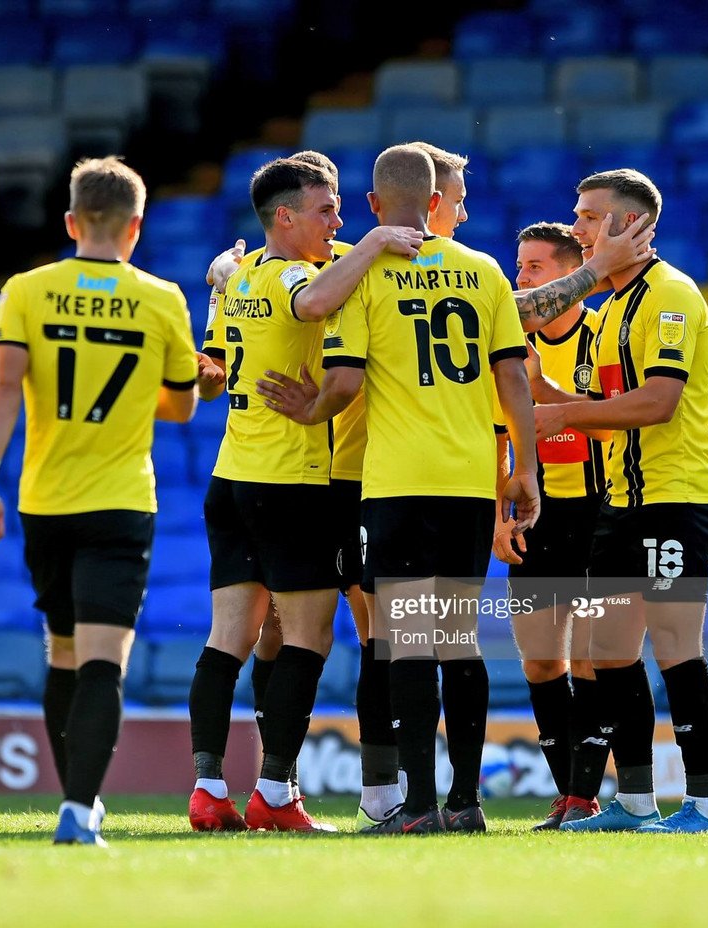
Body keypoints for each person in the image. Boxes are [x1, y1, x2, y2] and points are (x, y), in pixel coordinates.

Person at [257, 144, 540, 834]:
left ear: (377, 206)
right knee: (460, 640)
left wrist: (309, 408)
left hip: (397, 484)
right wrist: (525, 468)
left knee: (409, 641)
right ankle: (467, 802)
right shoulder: (484, 273)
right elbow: (513, 379)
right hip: (470, 482)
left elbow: (346, 381)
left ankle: (416, 806)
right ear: (437, 202)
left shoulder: (367, 276)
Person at [0, 156, 199, 846]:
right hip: (121, 502)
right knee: (104, 661)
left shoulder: (28, 291)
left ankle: (74, 801)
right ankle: (78, 808)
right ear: (135, 226)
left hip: (45, 501)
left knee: (63, 654)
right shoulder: (161, 299)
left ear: (71, 222)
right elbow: (182, 407)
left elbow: (4, 385)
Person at [189, 156, 422, 832]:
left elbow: (212, 371)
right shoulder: (298, 274)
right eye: (327, 209)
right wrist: (380, 240)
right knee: (309, 637)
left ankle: (208, 789)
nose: (341, 221)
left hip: (231, 478)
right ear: (285, 217)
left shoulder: (240, 278)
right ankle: (274, 795)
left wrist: (220, 280)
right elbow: (315, 301)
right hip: (292, 482)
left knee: (229, 636)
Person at [523, 170, 708, 834]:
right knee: (609, 653)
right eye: (578, 216)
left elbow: (659, 405)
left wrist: (564, 410)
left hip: (674, 499)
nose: (578, 227)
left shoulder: (670, 297)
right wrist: (545, 394)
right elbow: (609, 420)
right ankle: (636, 803)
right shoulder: (608, 316)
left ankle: (704, 806)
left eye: (589, 217)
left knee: (674, 649)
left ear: (632, 226)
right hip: (621, 503)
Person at [492, 222, 611, 830]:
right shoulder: (506, 341)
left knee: (591, 659)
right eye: (520, 266)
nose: (522, 278)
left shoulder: (605, 336)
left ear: (572, 277)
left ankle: (588, 797)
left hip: (596, 514)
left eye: (535, 268)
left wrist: (543, 389)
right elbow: (493, 433)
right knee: (541, 662)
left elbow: (620, 425)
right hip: (536, 518)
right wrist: (497, 516)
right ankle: (571, 795)